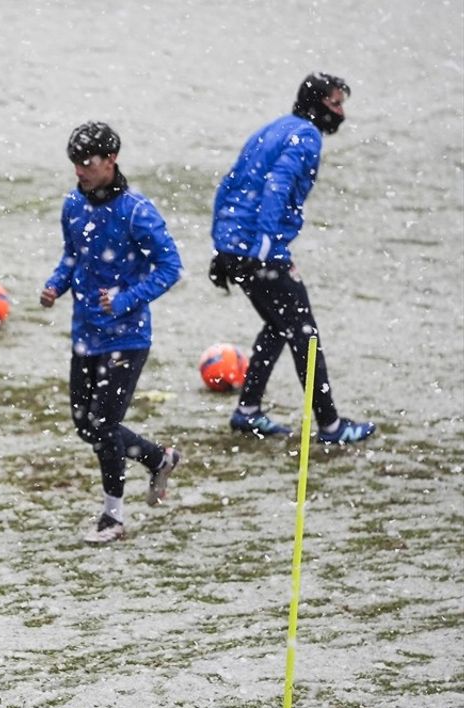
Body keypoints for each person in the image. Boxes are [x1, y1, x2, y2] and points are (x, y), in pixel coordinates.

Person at [209, 72, 376, 445]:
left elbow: (230, 182)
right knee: (305, 333)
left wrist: (221, 248)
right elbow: (276, 187)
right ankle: (331, 426)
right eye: (336, 104)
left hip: (236, 246)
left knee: (278, 324)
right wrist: (266, 250)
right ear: (317, 105)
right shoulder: (306, 136)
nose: (342, 113)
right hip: (258, 250)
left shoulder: (274, 128)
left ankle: (247, 412)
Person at [40, 121, 183, 544]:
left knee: (103, 424)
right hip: (86, 334)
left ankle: (112, 518)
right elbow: (72, 256)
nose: (79, 172)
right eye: (75, 164)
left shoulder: (137, 211)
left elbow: (171, 267)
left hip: (127, 337)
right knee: (85, 425)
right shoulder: (73, 205)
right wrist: (56, 284)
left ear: (111, 160)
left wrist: (124, 299)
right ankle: (160, 458)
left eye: (87, 163)